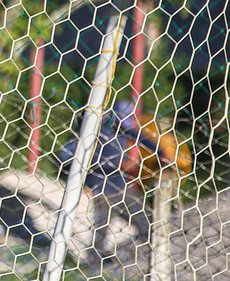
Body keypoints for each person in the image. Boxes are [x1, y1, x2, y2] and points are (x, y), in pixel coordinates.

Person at [55, 101, 156, 264]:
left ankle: (145, 253)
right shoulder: (97, 130)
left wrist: (162, 152)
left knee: (145, 217)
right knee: (102, 225)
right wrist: (111, 166)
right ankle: (94, 262)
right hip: (102, 186)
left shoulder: (120, 128)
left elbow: (140, 137)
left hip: (121, 186)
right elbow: (78, 157)